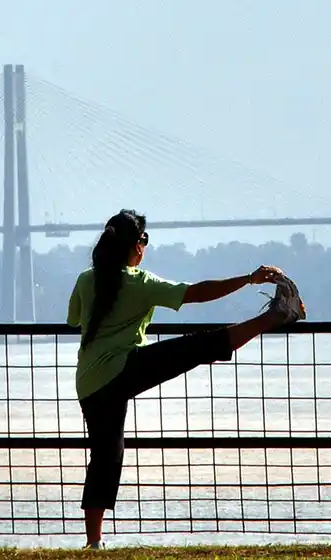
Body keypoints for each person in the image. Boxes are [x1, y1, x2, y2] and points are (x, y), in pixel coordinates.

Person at [66, 209, 306, 549]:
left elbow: (74, 319)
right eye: (144, 239)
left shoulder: (85, 279)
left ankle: (94, 543)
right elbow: (195, 293)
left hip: (89, 382)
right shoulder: (140, 283)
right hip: (123, 369)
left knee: (106, 456)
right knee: (196, 347)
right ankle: (276, 315)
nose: (146, 246)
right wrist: (248, 279)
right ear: (135, 246)